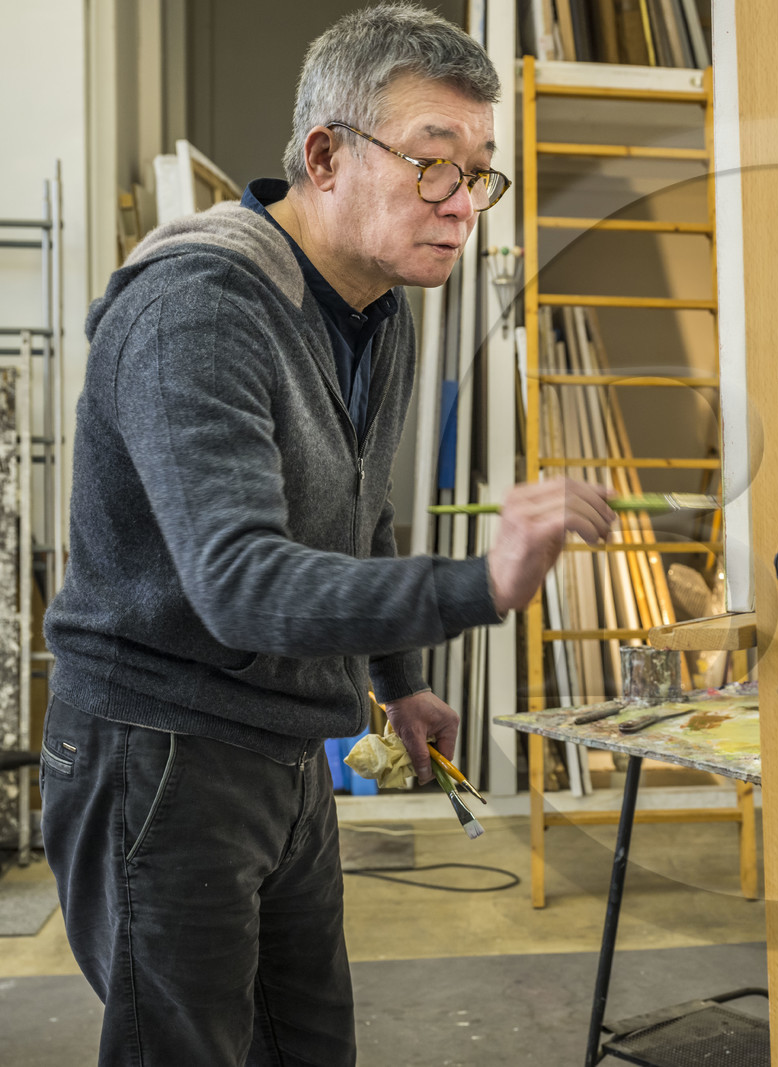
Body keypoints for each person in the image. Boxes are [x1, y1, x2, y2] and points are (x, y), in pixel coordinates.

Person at [39, 7, 616, 1065]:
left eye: (480, 173)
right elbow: (239, 582)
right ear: (323, 155)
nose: (463, 206)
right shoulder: (202, 309)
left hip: (283, 744)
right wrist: (479, 581)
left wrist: (398, 680)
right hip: (160, 750)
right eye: (433, 165)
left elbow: (359, 508)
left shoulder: (370, 308)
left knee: (308, 1046)